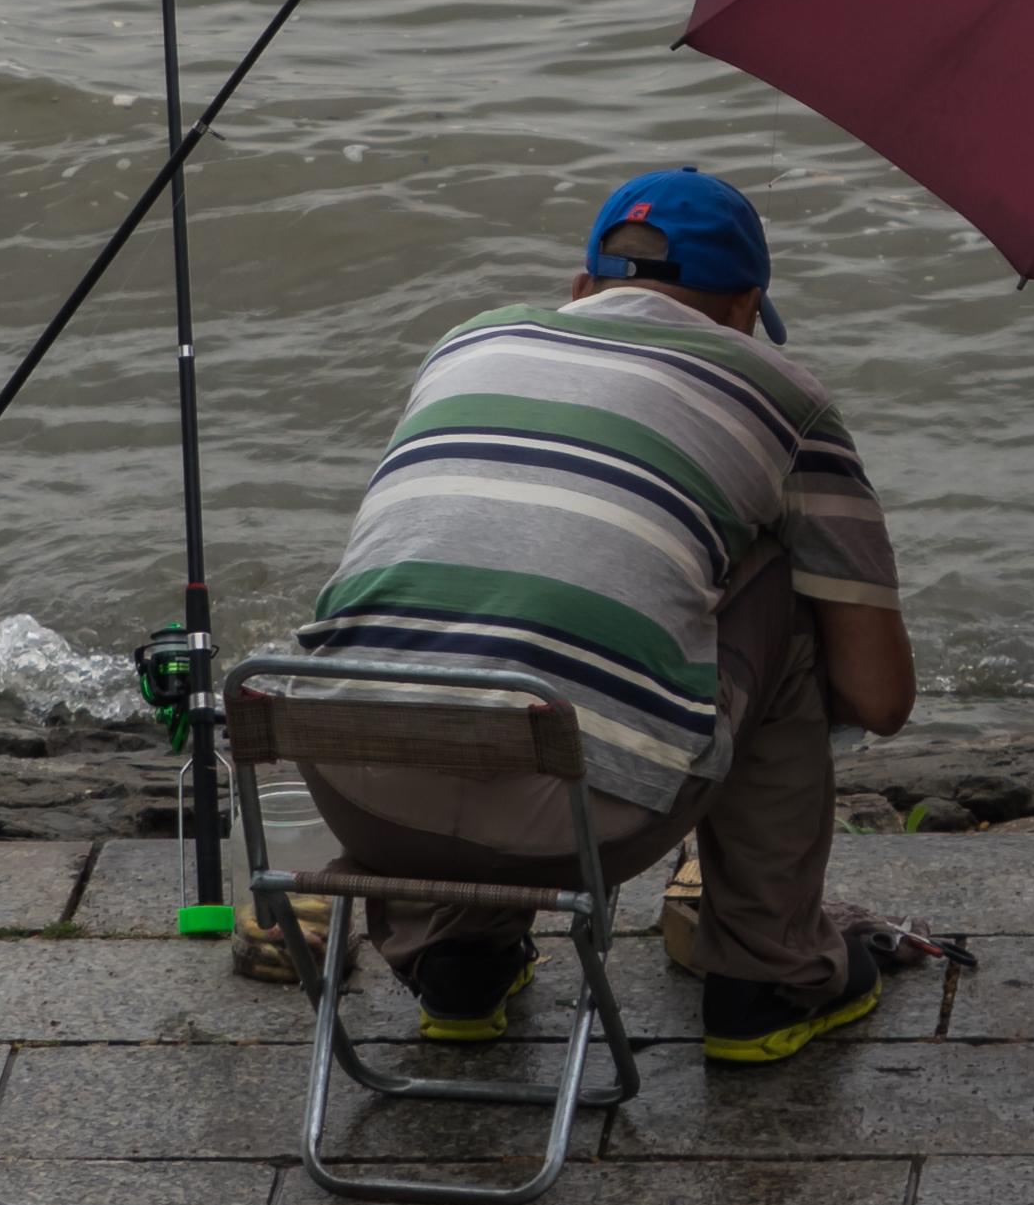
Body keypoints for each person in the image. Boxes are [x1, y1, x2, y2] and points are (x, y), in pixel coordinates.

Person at [293, 165, 932, 1064]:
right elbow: (879, 697)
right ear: (747, 307)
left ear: (581, 288)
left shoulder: (466, 344)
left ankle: (458, 966)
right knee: (786, 598)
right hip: (575, 830)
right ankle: (768, 975)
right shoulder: (788, 395)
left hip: (357, 799)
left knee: (480, 586)